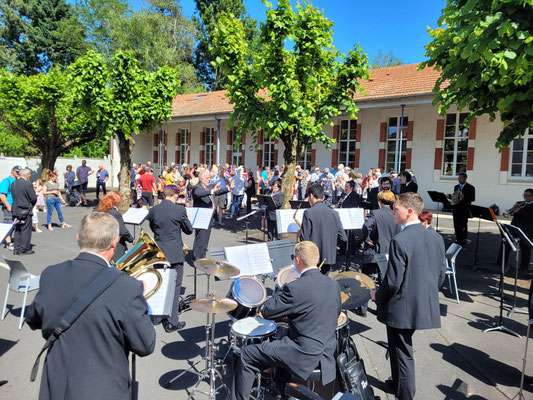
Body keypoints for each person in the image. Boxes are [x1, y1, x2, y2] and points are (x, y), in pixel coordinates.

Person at [26, 212, 156, 400]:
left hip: (56, 384)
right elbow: (145, 344)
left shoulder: (50, 274)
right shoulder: (128, 287)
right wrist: (141, 303)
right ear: (114, 242)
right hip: (104, 389)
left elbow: (33, 319)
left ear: (79, 239)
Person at [231, 241, 341, 400]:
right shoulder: (333, 284)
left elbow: (267, 310)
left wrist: (283, 288)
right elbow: (334, 312)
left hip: (303, 352)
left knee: (247, 355)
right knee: (282, 340)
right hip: (327, 352)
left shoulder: (295, 287)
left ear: (297, 261)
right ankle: (281, 390)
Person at [371, 192, 446, 400]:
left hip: (402, 307)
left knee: (402, 352)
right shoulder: (435, 236)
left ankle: (405, 395)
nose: (393, 212)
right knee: (397, 347)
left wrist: (376, 295)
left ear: (410, 211)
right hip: (421, 303)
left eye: (396, 209)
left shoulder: (400, 240)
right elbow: (440, 276)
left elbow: (393, 281)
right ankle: (397, 383)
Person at [148, 187, 193, 332]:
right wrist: (187, 220)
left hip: (159, 252)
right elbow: (189, 230)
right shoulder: (179, 210)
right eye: (177, 196)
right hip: (174, 253)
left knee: (159, 284)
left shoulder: (154, 210)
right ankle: (172, 321)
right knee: (175, 287)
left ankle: (156, 317)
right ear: (173, 195)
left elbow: (153, 228)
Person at [359, 190, 400, 316]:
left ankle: (363, 309)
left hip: (374, 251)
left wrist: (366, 239)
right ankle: (382, 309)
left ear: (379, 201)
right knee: (384, 282)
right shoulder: (396, 214)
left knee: (367, 280)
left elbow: (366, 226)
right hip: (389, 252)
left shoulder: (375, 213)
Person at [300, 183, 346, 274]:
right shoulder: (334, 213)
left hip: (313, 256)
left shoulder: (308, 212)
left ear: (311, 196)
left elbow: (304, 239)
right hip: (328, 257)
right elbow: (343, 238)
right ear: (323, 197)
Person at [192, 171, 233, 260]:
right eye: (207, 178)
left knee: (206, 238)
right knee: (200, 238)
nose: (209, 179)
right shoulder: (197, 187)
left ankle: (202, 256)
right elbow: (199, 193)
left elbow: (217, 192)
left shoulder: (209, 187)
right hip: (201, 217)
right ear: (201, 179)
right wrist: (211, 191)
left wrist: (229, 188)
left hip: (210, 216)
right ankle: (196, 257)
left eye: (209, 178)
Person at [97, 192, 134, 262]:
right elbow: (122, 231)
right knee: (118, 263)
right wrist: (131, 239)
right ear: (114, 203)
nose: (120, 204)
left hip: (104, 241)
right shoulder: (115, 213)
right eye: (119, 202)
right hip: (115, 244)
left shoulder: (103, 211)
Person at [11, 168, 37, 255]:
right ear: (27, 175)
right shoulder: (27, 184)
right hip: (25, 210)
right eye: (29, 175)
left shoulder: (14, 183)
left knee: (17, 229)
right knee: (25, 230)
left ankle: (16, 248)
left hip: (15, 209)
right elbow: (33, 198)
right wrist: (30, 206)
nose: (29, 176)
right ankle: (23, 249)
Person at [508, 188, 533, 274]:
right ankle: (501, 263)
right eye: (524, 195)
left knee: (525, 250)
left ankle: (523, 269)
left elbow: (530, 217)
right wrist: (513, 210)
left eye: (528, 196)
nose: (525, 197)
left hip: (527, 230)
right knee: (506, 243)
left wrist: (519, 211)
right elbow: (512, 213)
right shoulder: (520, 203)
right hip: (515, 227)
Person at [0, 165, 21, 250]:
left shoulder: (18, 181)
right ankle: (8, 243)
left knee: (15, 225)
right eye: (16, 171)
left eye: (19, 172)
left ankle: (12, 241)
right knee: (8, 224)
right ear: (12, 171)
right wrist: (8, 205)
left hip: (17, 207)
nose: (18, 173)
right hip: (9, 207)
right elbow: (2, 195)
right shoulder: (6, 181)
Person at [452, 172, 475, 245]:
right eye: (458, 178)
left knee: (463, 225)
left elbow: (472, 198)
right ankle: (458, 239)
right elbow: (455, 197)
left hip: (464, 209)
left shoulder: (470, 187)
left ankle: (463, 240)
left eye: (461, 178)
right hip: (456, 209)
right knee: (456, 225)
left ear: (465, 178)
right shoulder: (456, 187)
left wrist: (464, 197)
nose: (459, 180)